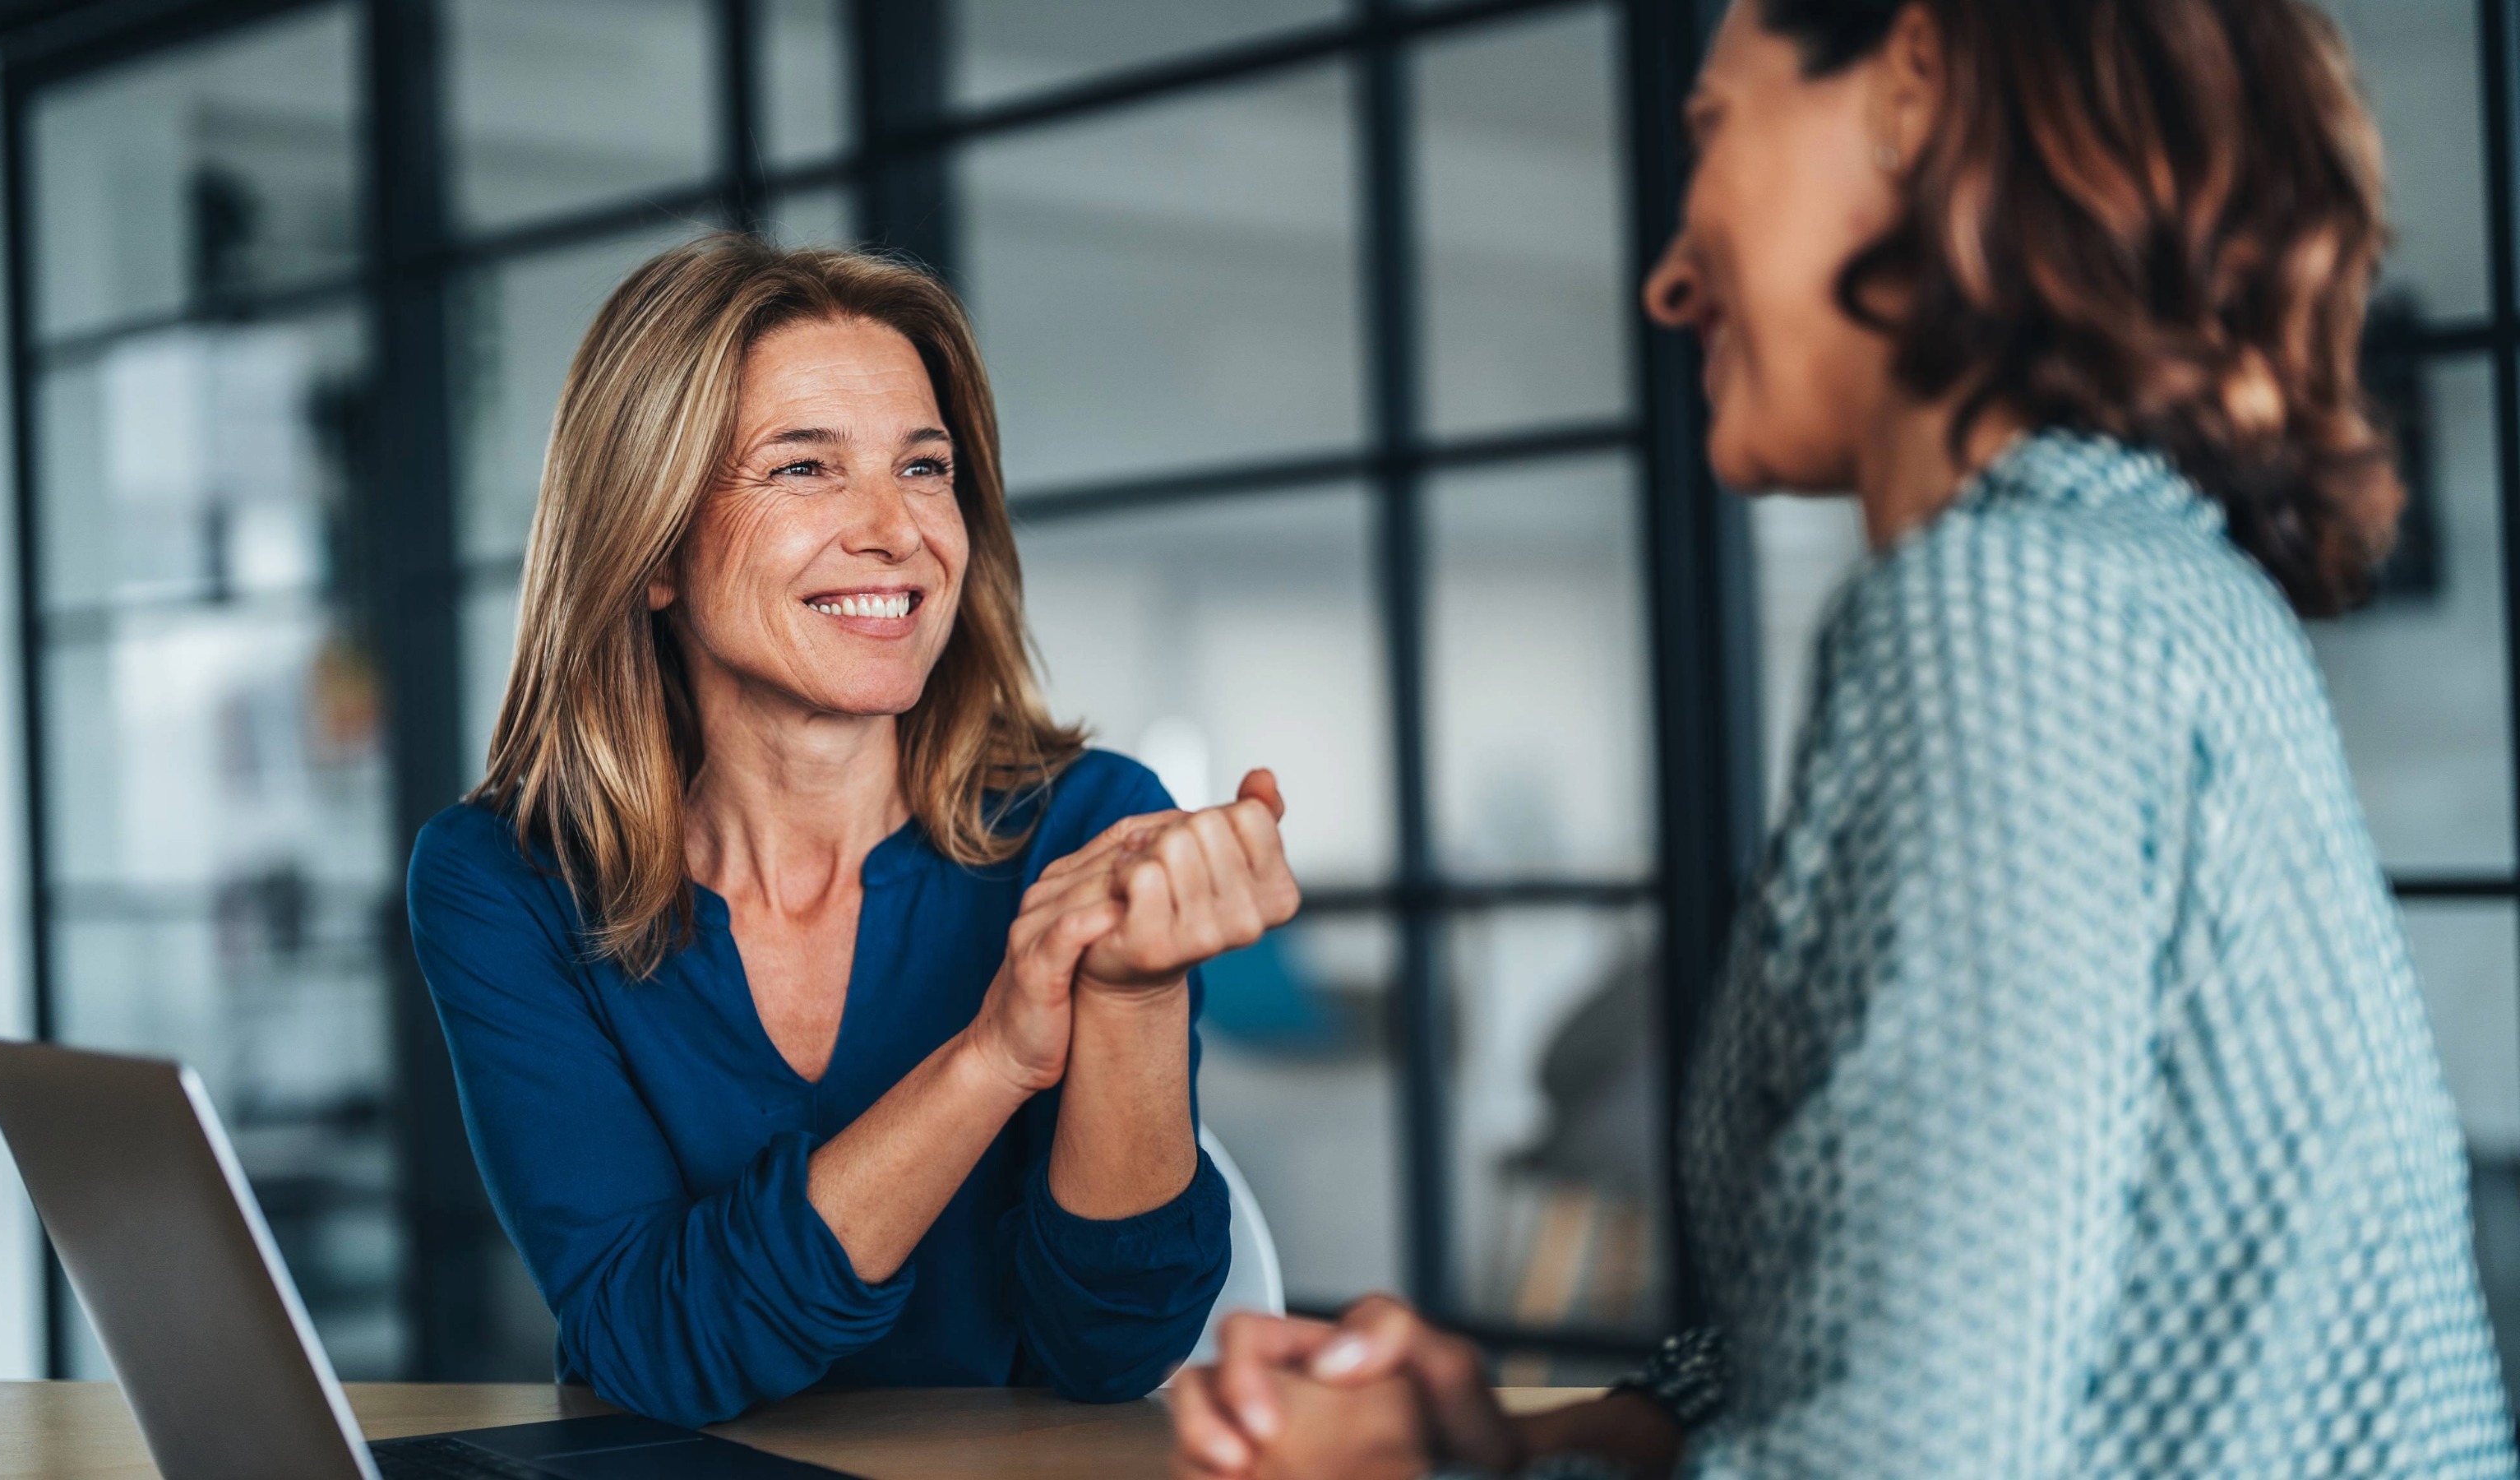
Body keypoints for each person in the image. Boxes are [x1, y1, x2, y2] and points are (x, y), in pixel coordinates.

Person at [1172, 1, 2519, 1477]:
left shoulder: (2005, 614)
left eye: (1712, 132)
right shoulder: (2159, 584)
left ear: (1915, 91)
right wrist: (1572, 1435)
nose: (1670, 277)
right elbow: (1919, 1322)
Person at [408, 235, 1297, 1427]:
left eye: (924, 468)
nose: (895, 529)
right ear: (653, 544)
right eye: (803, 469)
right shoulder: (506, 883)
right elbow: (655, 1352)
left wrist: (1133, 1001)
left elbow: (1111, 1351)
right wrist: (991, 1060)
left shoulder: (1090, 828)